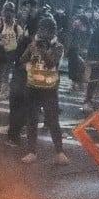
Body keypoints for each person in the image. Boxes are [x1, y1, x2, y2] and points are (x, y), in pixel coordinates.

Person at [19, 17, 68, 165]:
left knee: (53, 121)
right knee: (32, 121)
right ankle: (31, 151)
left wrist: (43, 50)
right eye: (41, 30)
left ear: (52, 31)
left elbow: (52, 62)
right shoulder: (33, 45)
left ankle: (60, 152)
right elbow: (22, 59)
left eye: (46, 31)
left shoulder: (58, 47)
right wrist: (29, 61)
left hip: (49, 89)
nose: (43, 33)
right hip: (33, 88)